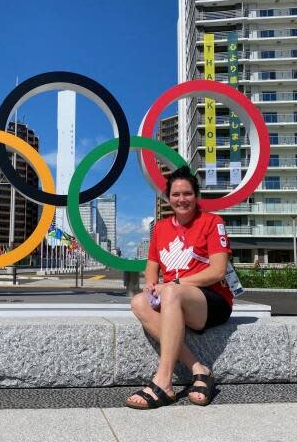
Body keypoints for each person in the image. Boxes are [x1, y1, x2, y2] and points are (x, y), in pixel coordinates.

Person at [125, 166, 233, 410]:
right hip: (175, 296)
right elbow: (152, 266)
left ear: (196, 196)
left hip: (211, 300)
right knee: (138, 302)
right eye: (176, 194)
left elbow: (217, 271)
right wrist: (151, 284)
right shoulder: (161, 228)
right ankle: (199, 369)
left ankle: (163, 382)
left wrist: (173, 284)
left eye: (187, 194)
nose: (182, 199)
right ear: (168, 198)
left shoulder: (212, 222)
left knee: (172, 292)